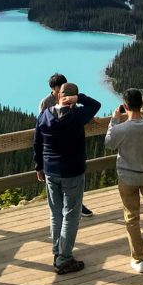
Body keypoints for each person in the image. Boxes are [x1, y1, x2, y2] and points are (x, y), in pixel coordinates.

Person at [34, 79, 101, 274]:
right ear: (71, 99)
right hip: (72, 171)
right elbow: (95, 105)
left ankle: (58, 251)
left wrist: (39, 166)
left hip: (50, 171)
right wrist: (79, 98)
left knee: (55, 213)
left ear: (58, 95)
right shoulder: (77, 115)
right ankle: (64, 258)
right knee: (71, 215)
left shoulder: (44, 116)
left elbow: (37, 142)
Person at [104, 88, 143, 272]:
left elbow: (109, 144)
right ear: (142, 104)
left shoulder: (120, 129)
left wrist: (114, 120)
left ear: (125, 106)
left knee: (132, 218)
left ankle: (139, 260)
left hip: (127, 178)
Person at [39, 73, 94, 217]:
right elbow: (42, 124)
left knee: (70, 188)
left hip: (70, 150)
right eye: (59, 89)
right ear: (54, 89)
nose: (63, 92)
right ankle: (73, 210)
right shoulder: (46, 103)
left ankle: (78, 206)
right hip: (54, 150)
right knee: (62, 207)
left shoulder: (70, 99)